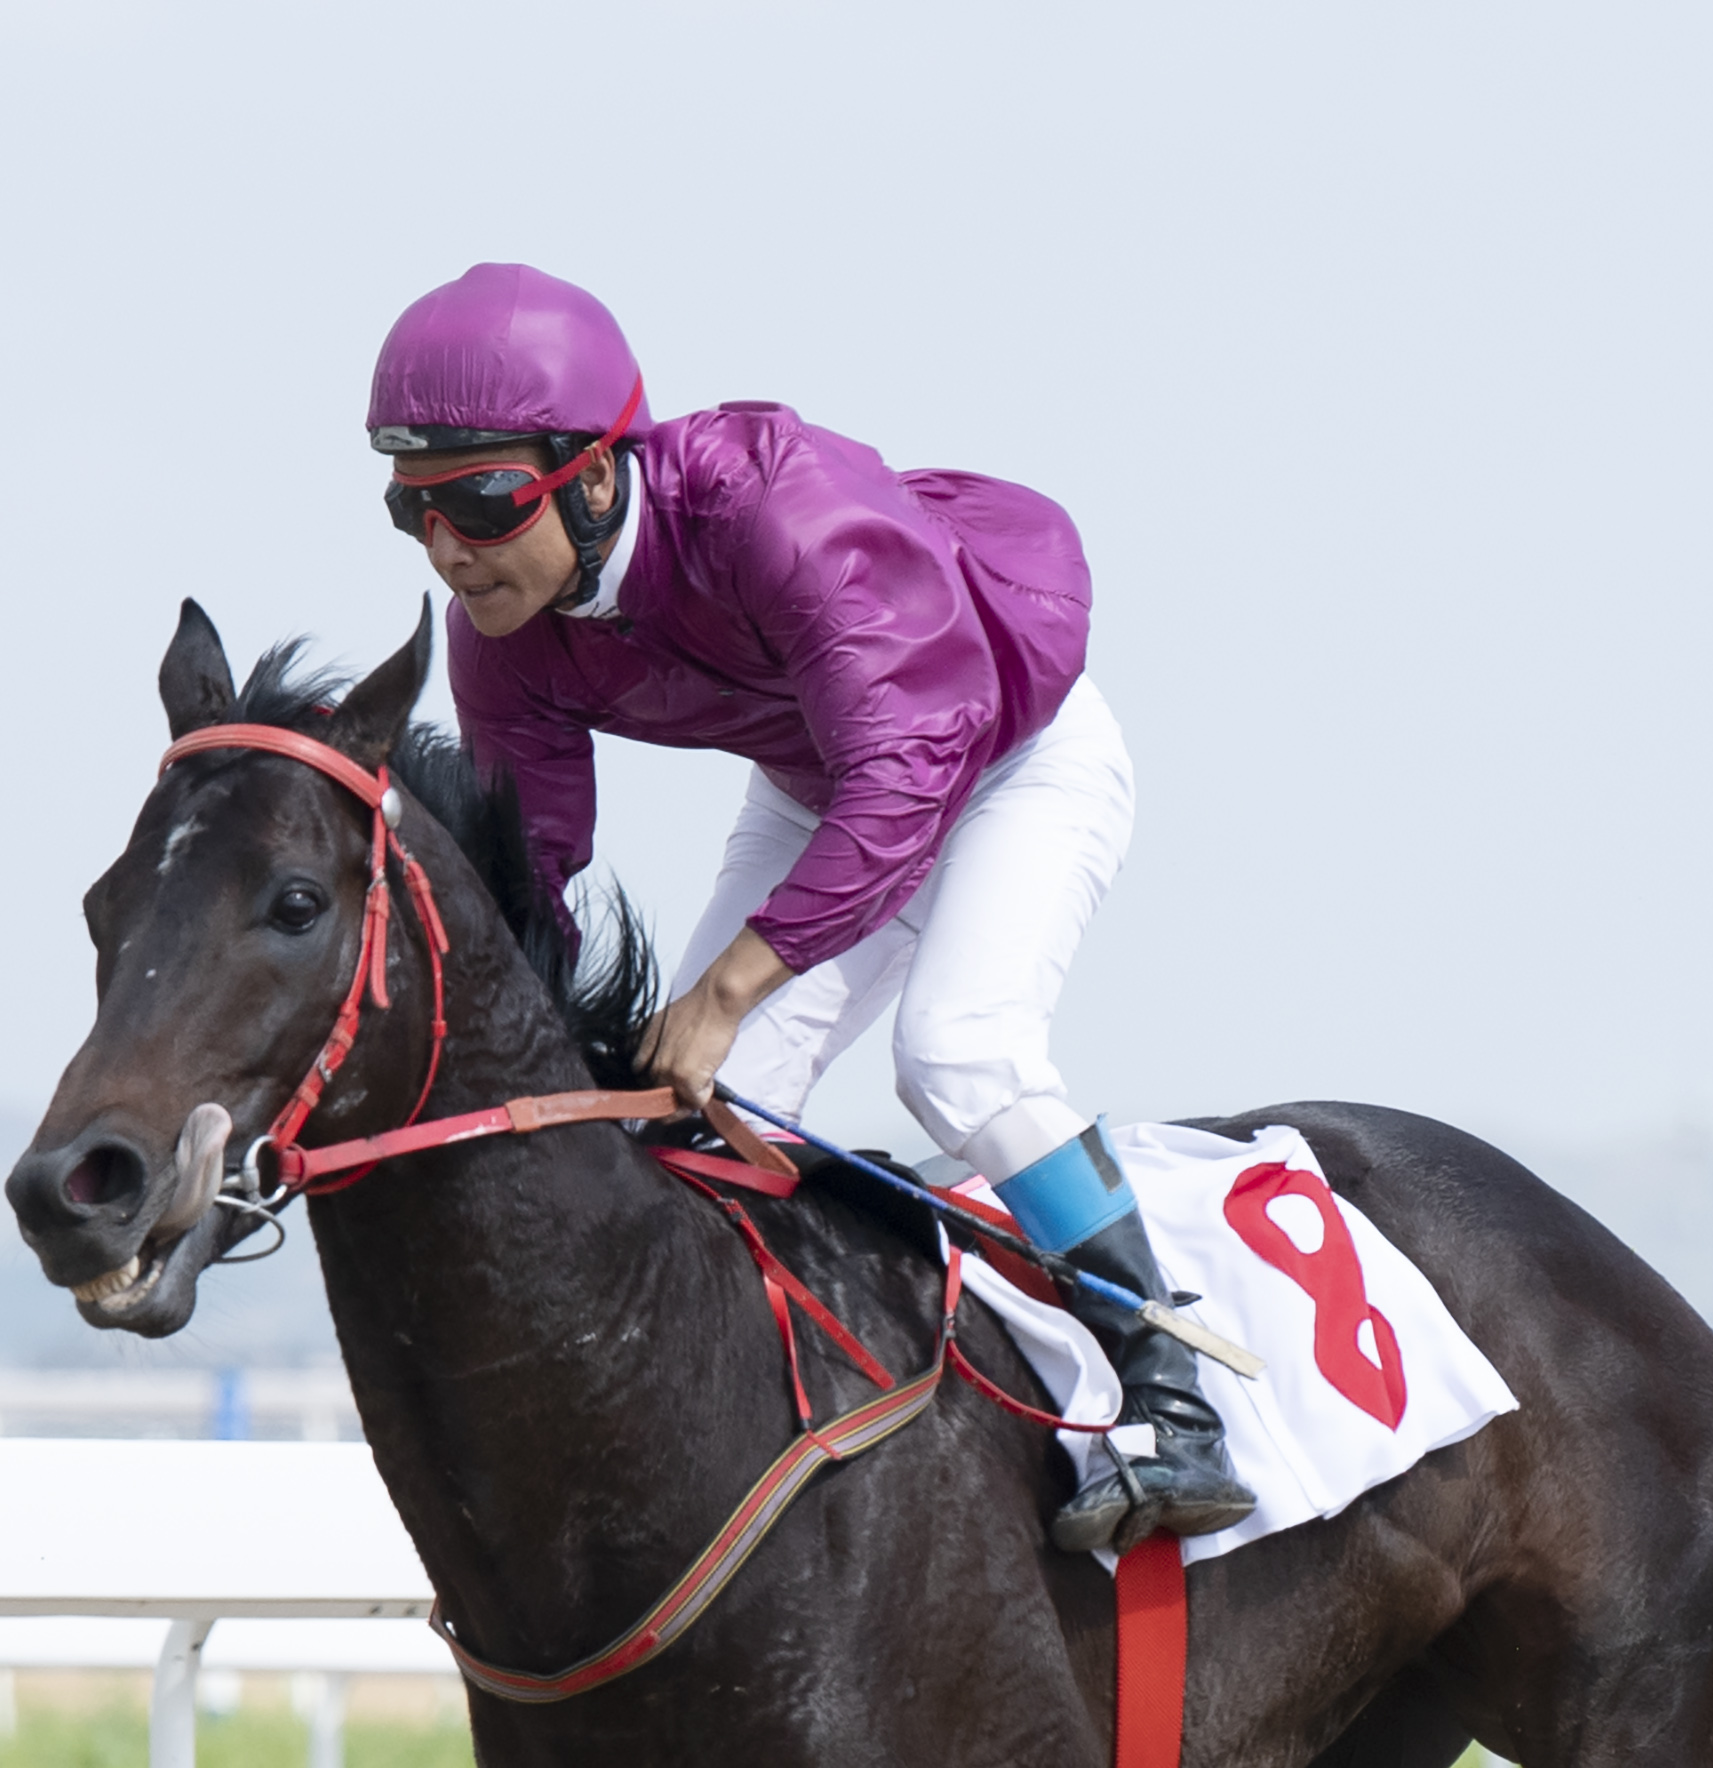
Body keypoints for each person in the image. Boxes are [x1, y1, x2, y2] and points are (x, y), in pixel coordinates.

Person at [366, 261, 1253, 1556]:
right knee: (696, 1121)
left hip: (1010, 757)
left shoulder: (773, 508)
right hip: (819, 781)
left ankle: (1174, 1394)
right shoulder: (500, 630)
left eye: (484, 501)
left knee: (955, 1050)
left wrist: (726, 988)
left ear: (596, 471)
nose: (450, 550)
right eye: (412, 511)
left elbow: (904, 779)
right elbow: (534, 867)